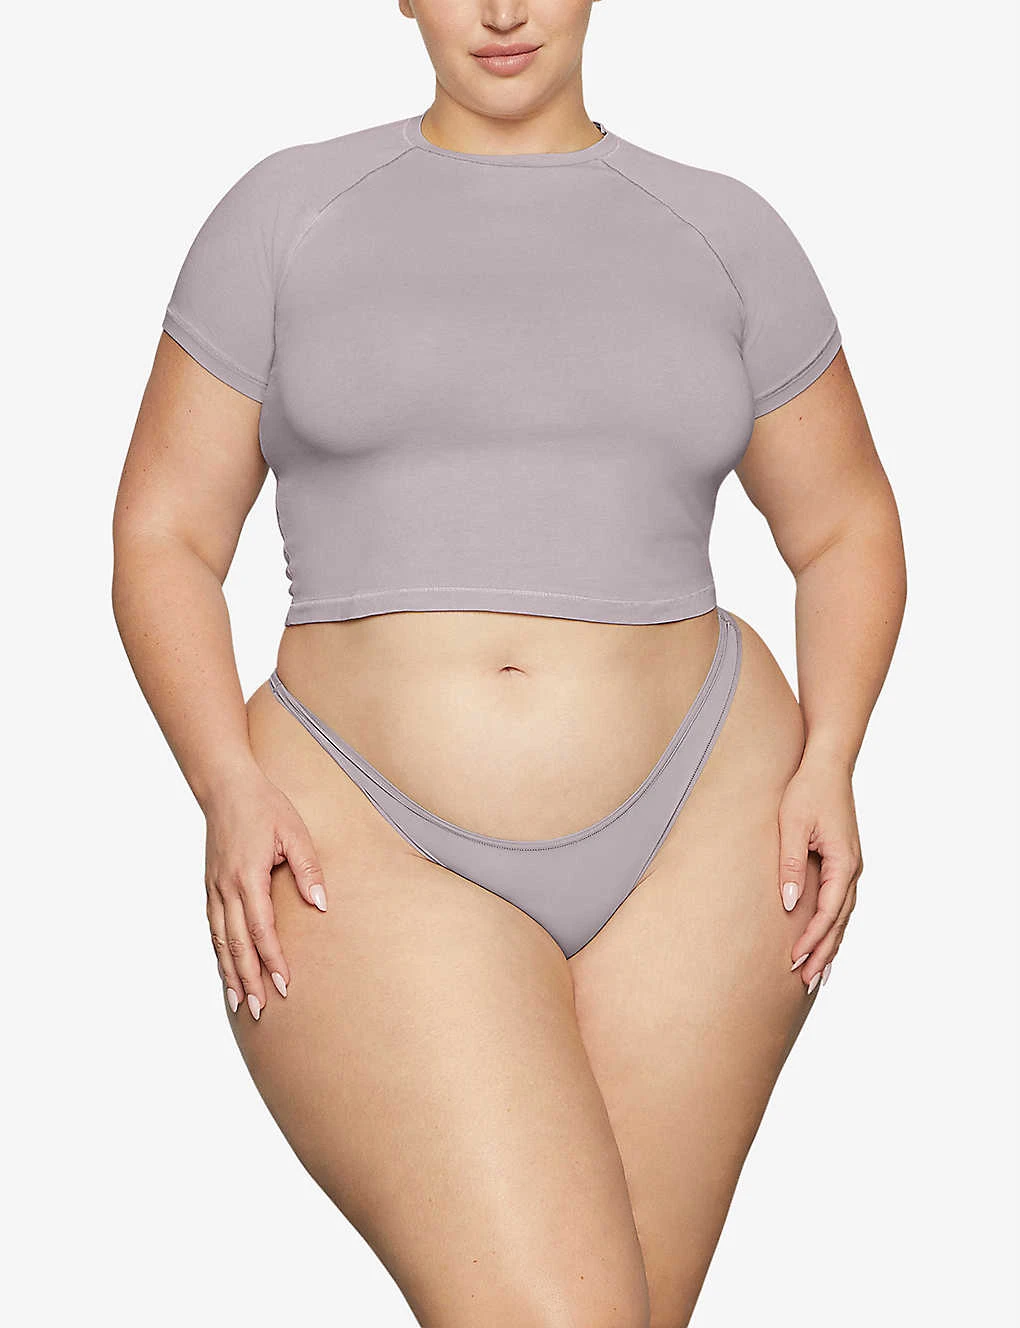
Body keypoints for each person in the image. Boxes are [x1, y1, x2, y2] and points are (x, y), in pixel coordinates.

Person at [111, 2, 906, 1323]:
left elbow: (846, 526)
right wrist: (224, 783)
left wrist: (832, 755)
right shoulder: (284, 218)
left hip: (708, 827)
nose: (501, 9)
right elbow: (165, 535)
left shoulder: (727, 232)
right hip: (357, 828)